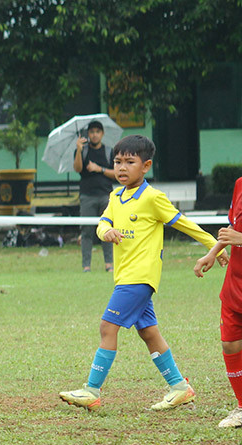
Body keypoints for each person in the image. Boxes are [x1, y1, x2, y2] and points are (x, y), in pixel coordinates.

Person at [60, 135, 225, 412]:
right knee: (149, 333)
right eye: (117, 162)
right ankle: (180, 387)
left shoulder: (153, 198)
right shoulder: (115, 196)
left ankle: (92, 390)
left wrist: (214, 247)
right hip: (124, 277)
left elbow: (185, 224)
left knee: (107, 327)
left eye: (129, 162)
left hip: (140, 278)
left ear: (145, 166)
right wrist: (106, 231)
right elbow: (101, 224)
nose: (122, 168)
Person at [194, 176, 242, 427]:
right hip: (235, 284)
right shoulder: (239, 185)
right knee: (230, 344)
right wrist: (212, 253)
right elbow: (232, 229)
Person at [74, 120, 117, 273]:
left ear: (102, 134)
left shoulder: (109, 152)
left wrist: (100, 169)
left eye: (97, 132)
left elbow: (116, 174)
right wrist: (78, 150)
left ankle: (109, 264)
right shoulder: (83, 150)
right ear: (88, 134)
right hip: (87, 196)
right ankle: (86, 266)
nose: (94, 135)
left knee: (107, 230)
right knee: (86, 231)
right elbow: (77, 168)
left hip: (105, 195)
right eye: (91, 132)